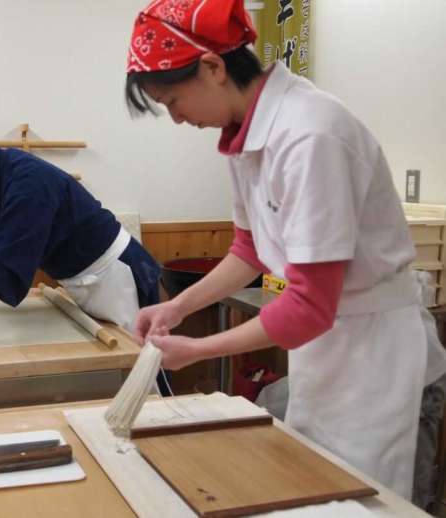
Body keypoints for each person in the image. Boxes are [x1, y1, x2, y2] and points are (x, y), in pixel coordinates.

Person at [124, 0, 446, 499]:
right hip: (326, 345)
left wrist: (197, 351)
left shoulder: (311, 134)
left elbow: (310, 305)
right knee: (314, 481)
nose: (176, 118)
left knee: (364, 498)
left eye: (171, 101)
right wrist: (177, 307)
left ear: (213, 68)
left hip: (374, 353)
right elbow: (249, 249)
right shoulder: (243, 135)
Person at [0, 111, 160, 341]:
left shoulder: (27, 183)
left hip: (117, 278)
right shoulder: (2, 181)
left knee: (144, 366)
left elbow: (2, 266)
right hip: (92, 281)